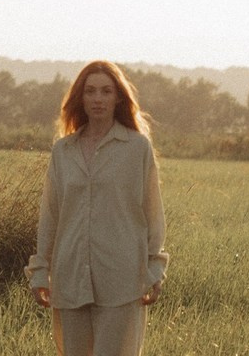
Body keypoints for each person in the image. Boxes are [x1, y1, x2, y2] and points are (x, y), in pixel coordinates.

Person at [25, 60, 167, 356]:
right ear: (80, 98)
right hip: (70, 278)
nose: (98, 99)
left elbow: (153, 213)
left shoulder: (137, 148)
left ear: (118, 98)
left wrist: (155, 268)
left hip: (122, 279)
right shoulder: (63, 151)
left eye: (106, 91)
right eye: (90, 91)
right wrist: (40, 270)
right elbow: (50, 216)